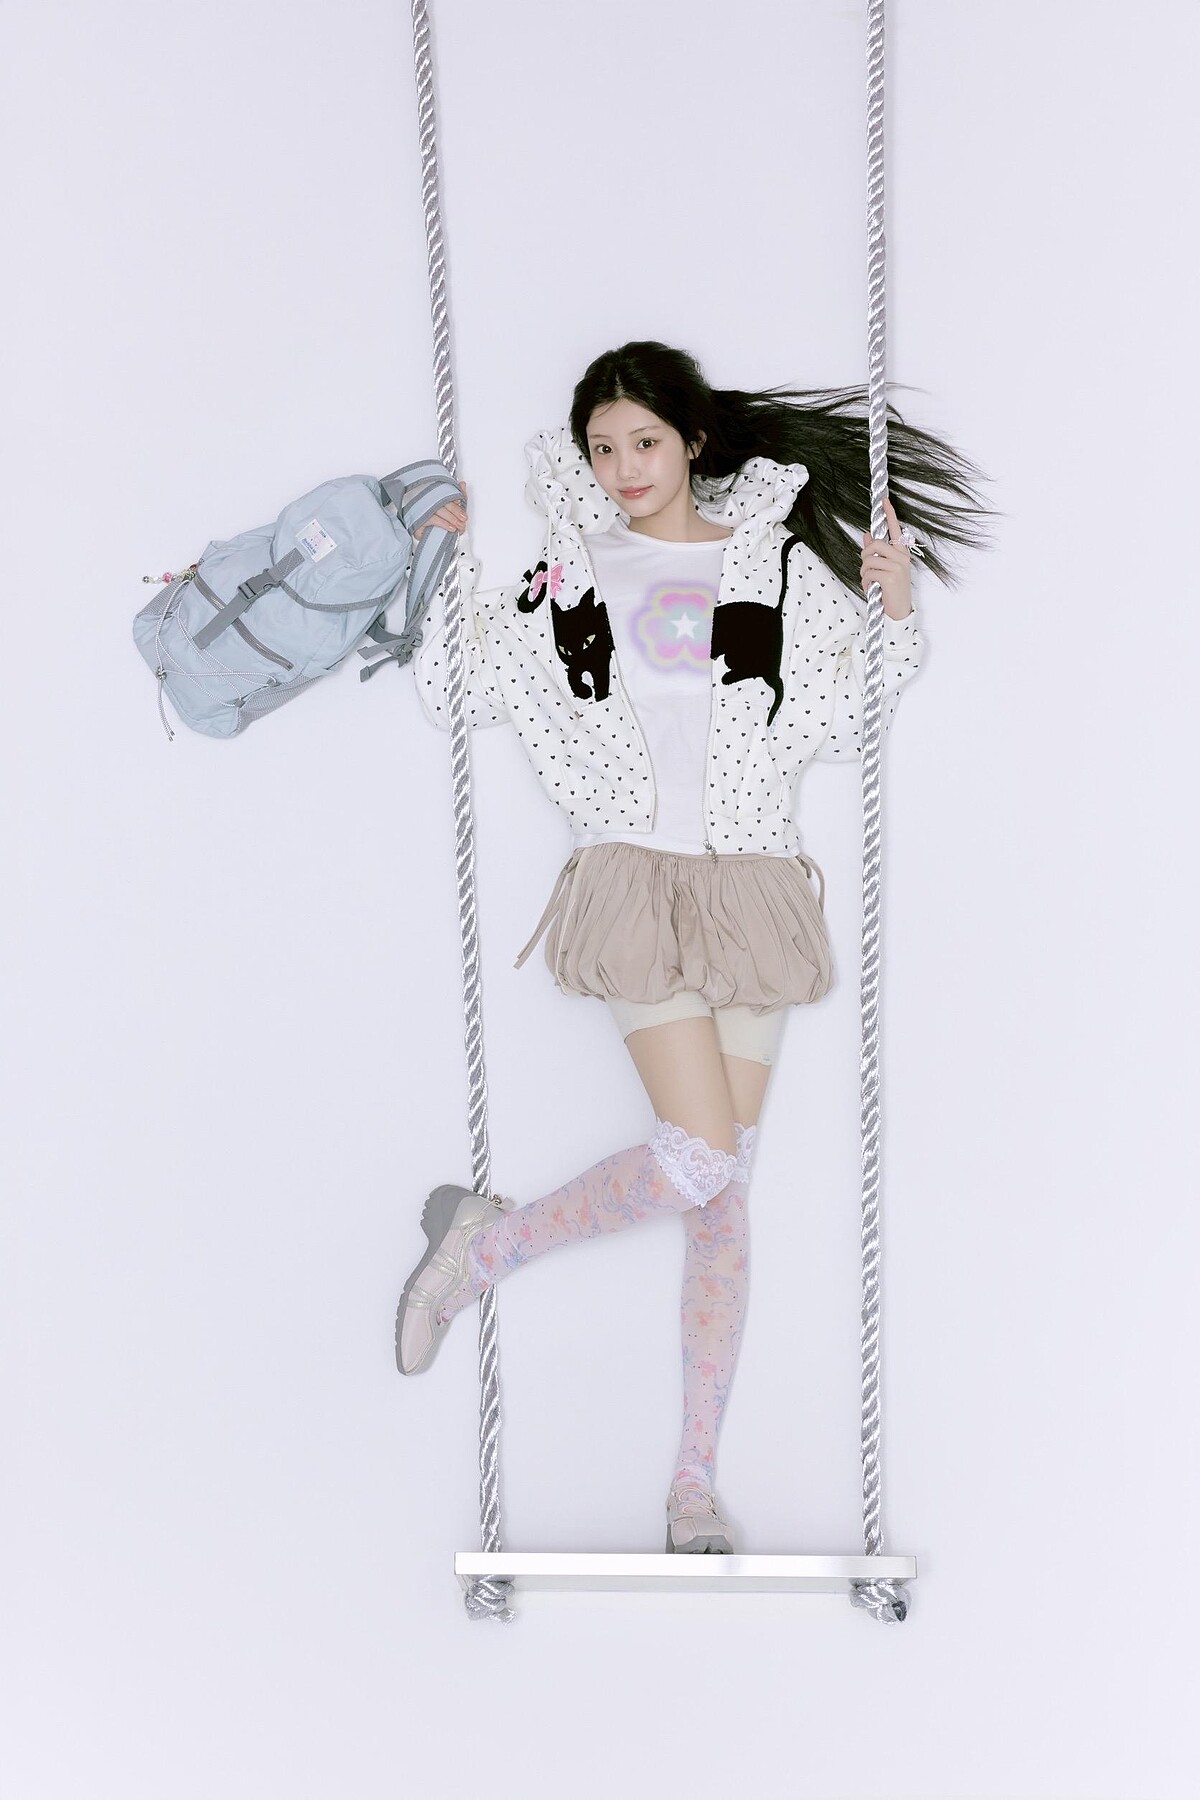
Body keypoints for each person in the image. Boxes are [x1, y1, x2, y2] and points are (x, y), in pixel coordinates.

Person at [394, 340, 994, 1554]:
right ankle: (480, 1253)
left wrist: (891, 610)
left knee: (720, 1189)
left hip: (753, 889)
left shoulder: (772, 565)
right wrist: (441, 566)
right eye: (602, 448)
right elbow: (463, 688)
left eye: (644, 443)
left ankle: (691, 1487)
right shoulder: (569, 568)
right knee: (697, 1156)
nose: (623, 468)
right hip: (634, 884)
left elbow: (846, 713)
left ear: (692, 443)